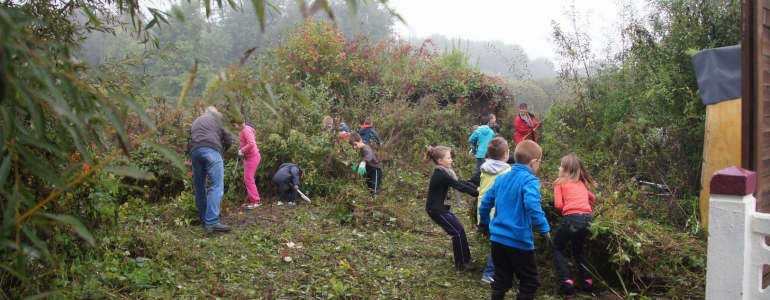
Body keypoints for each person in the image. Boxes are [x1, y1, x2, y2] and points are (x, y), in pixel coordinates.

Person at [478, 140, 551, 300]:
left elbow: (484, 204)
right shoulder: (530, 181)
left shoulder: (501, 179)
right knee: (529, 281)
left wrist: (484, 222)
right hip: (519, 241)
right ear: (534, 162)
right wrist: (544, 228)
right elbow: (532, 204)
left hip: (497, 239)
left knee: (502, 279)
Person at [424, 146, 480, 271]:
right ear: (440, 161)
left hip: (440, 209)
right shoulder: (441, 175)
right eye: (448, 158)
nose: (451, 160)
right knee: (457, 231)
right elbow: (459, 186)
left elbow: (460, 181)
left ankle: (465, 259)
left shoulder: (446, 173)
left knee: (459, 230)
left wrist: (477, 188)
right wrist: (479, 194)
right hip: (437, 210)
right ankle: (462, 263)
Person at [551, 155, 598, 296]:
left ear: (565, 170)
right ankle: (587, 281)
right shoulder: (581, 183)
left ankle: (567, 282)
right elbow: (593, 198)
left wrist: (567, 210)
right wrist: (584, 207)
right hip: (587, 219)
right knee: (578, 249)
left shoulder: (559, 183)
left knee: (557, 248)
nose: (559, 168)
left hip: (572, 218)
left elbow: (558, 205)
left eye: (561, 166)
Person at [187, 106, 234, 232]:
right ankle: (212, 221)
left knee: (200, 187)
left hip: (194, 151)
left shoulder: (196, 120)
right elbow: (229, 139)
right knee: (216, 185)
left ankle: (204, 219)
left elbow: (188, 141)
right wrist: (221, 151)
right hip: (211, 149)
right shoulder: (219, 116)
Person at [476, 137, 513, 284]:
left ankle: (498, 269)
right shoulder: (507, 171)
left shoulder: (484, 168)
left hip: (483, 212)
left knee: (496, 243)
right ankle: (489, 273)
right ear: (505, 155)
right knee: (499, 244)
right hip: (498, 214)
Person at [233, 120, 261, 209]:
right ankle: (251, 200)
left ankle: (256, 201)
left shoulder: (246, 130)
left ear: (238, 123)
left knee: (248, 179)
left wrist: (242, 150)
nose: (234, 127)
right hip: (248, 158)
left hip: (253, 157)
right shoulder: (242, 131)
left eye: (234, 125)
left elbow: (252, 143)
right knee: (248, 179)